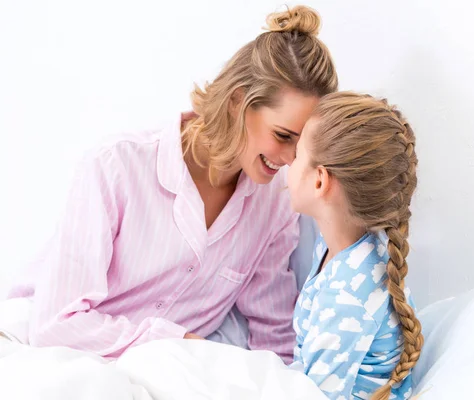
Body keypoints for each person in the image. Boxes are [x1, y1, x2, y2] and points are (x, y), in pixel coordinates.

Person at [7, 5, 338, 363]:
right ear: (237, 101)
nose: (291, 159)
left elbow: (273, 334)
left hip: (162, 370)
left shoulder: (275, 203)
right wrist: (180, 344)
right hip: (47, 348)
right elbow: (55, 324)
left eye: (301, 144)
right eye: (283, 135)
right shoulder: (116, 166)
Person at [287, 92, 423, 399]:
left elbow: (316, 396)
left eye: (296, 155)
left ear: (319, 180)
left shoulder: (345, 296)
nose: (287, 163)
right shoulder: (341, 247)